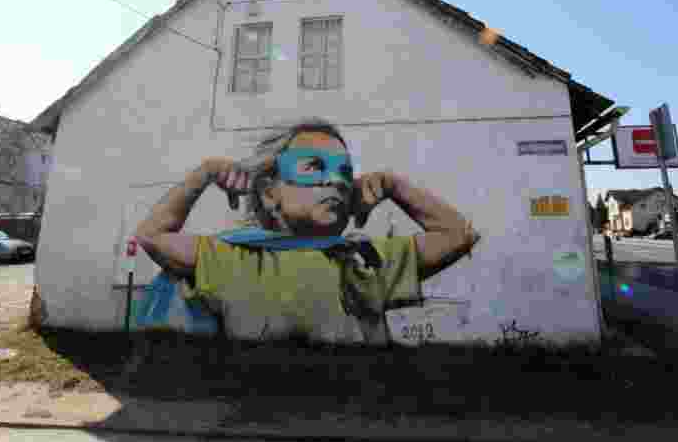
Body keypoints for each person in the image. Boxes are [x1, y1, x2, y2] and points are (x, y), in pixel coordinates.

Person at [134, 118, 480, 344]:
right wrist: (204, 173)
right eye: (315, 167)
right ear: (270, 193)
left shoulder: (365, 261)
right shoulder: (233, 259)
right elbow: (151, 236)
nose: (337, 180)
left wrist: (394, 185)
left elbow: (459, 235)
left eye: (346, 171)